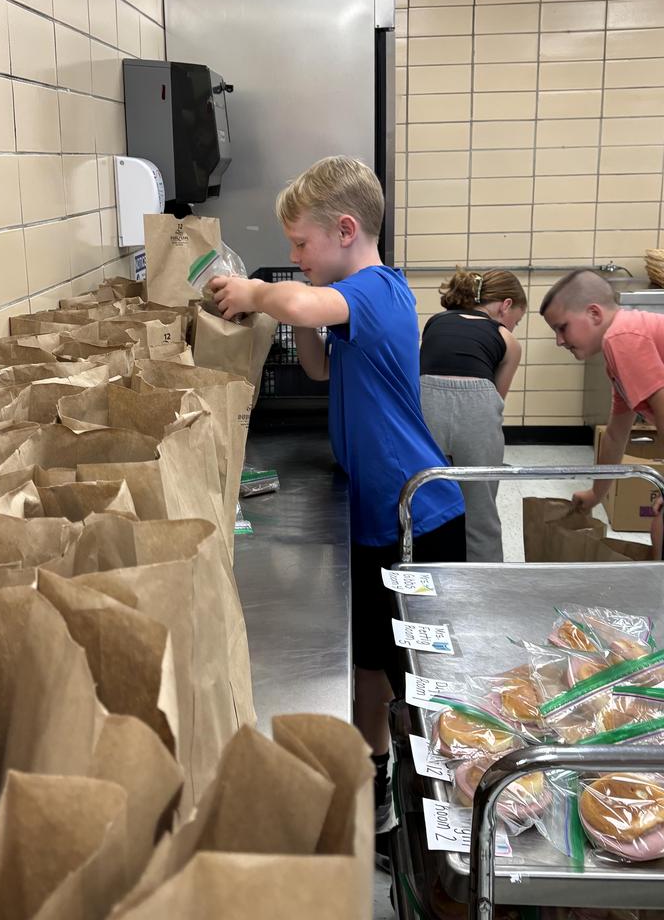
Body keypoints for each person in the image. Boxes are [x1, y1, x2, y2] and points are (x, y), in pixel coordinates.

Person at [209, 155, 466, 826]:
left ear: (346, 229)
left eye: (301, 244)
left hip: (419, 513)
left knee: (421, 673)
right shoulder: (349, 304)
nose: (296, 259)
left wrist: (253, 292)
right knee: (371, 661)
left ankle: (439, 807)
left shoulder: (381, 289)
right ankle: (374, 782)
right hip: (374, 510)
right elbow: (320, 369)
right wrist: (298, 317)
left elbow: (293, 298)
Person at [540, 267, 664, 555]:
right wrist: (597, 493)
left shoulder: (622, 337)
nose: (559, 340)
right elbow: (616, 433)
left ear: (594, 314)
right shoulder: (618, 348)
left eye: (562, 327)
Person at [419, 268, 526, 562]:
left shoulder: (435, 323)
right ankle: (485, 584)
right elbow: (496, 399)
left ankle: (423, 569)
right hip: (476, 406)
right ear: (505, 305)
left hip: (425, 401)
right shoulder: (508, 341)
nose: (513, 327)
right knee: (481, 509)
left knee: (423, 493)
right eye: (516, 320)